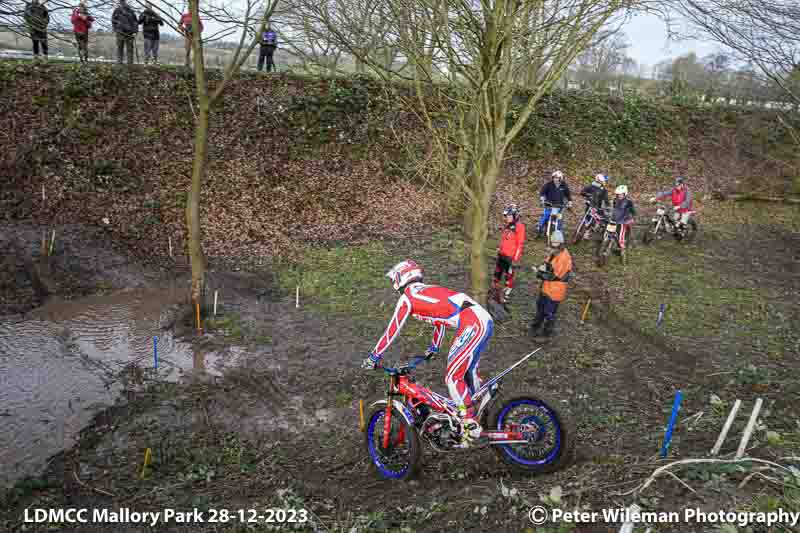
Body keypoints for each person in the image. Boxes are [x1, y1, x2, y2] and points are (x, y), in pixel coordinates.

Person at [361, 259, 494, 446]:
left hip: (471, 322)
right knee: (467, 371)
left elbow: (393, 330)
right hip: (482, 318)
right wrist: (433, 348)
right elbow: (438, 319)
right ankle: (484, 402)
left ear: (401, 277)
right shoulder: (426, 289)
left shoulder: (407, 297)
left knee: (452, 377)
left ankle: (469, 424)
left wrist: (374, 356)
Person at [530, 230, 573, 340]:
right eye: (552, 244)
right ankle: (535, 327)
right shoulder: (554, 252)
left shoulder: (564, 257)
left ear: (560, 243)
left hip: (555, 290)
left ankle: (546, 334)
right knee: (540, 308)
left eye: (555, 244)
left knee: (549, 313)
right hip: (546, 287)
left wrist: (539, 273)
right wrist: (542, 267)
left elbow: (554, 276)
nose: (553, 246)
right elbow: (546, 263)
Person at [492, 204, 525, 309]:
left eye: (509, 216)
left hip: (510, 258)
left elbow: (520, 244)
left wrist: (515, 259)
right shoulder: (508, 225)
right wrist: (500, 249)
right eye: (506, 216)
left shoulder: (519, 227)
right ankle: (494, 291)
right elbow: (504, 239)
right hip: (502, 255)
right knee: (497, 274)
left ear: (515, 215)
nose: (507, 218)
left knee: (508, 277)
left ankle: (505, 296)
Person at [537, 170, 572, 238]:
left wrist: (570, 202)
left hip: (559, 206)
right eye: (554, 178)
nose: (555, 179)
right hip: (549, 204)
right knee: (546, 215)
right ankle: (540, 227)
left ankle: (558, 232)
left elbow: (568, 195)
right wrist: (542, 198)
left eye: (557, 178)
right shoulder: (549, 184)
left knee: (559, 219)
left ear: (560, 178)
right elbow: (542, 192)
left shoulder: (564, 186)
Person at [610, 185, 637, 250]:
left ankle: (621, 244)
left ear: (624, 194)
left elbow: (633, 211)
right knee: (610, 230)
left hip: (624, 219)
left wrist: (632, 218)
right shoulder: (615, 200)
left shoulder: (628, 201)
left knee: (621, 230)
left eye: (620, 194)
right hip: (614, 219)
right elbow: (614, 208)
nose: (619, 196)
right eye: (617, 194)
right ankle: (609, 241)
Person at [112, 0, 138, 65]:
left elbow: (135, 22)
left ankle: (130, 64)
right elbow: (113, 20)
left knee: (130, 49)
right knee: (119, 48)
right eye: (121, 1)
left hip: (130, 33)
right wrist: (115, 29)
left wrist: (135, 31)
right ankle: (119, 62)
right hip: (120, 32)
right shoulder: (117, 10)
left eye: (123, 1)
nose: (122, 3)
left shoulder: (131, 11)